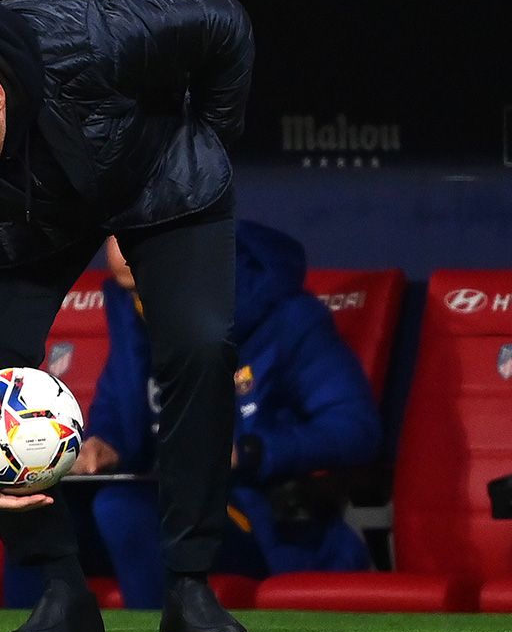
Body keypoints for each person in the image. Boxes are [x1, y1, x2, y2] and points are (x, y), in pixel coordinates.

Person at [0, 0, 255, 632]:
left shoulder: (91, 39)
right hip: (26, 223)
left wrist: (210, 141)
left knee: (199, 345)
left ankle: (190, 587)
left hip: (157, 178)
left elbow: (223, 24)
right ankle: (61, 590)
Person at [72, 224, 383, 608]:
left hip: (255, 518)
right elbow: (117, 411)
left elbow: (356, 429)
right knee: (39, 509)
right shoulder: (131, 313)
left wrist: (246, 451)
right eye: (132, 292)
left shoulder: (285, 318)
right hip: (159, 505)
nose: (141, 303)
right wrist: (104, 444)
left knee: (122, 509)